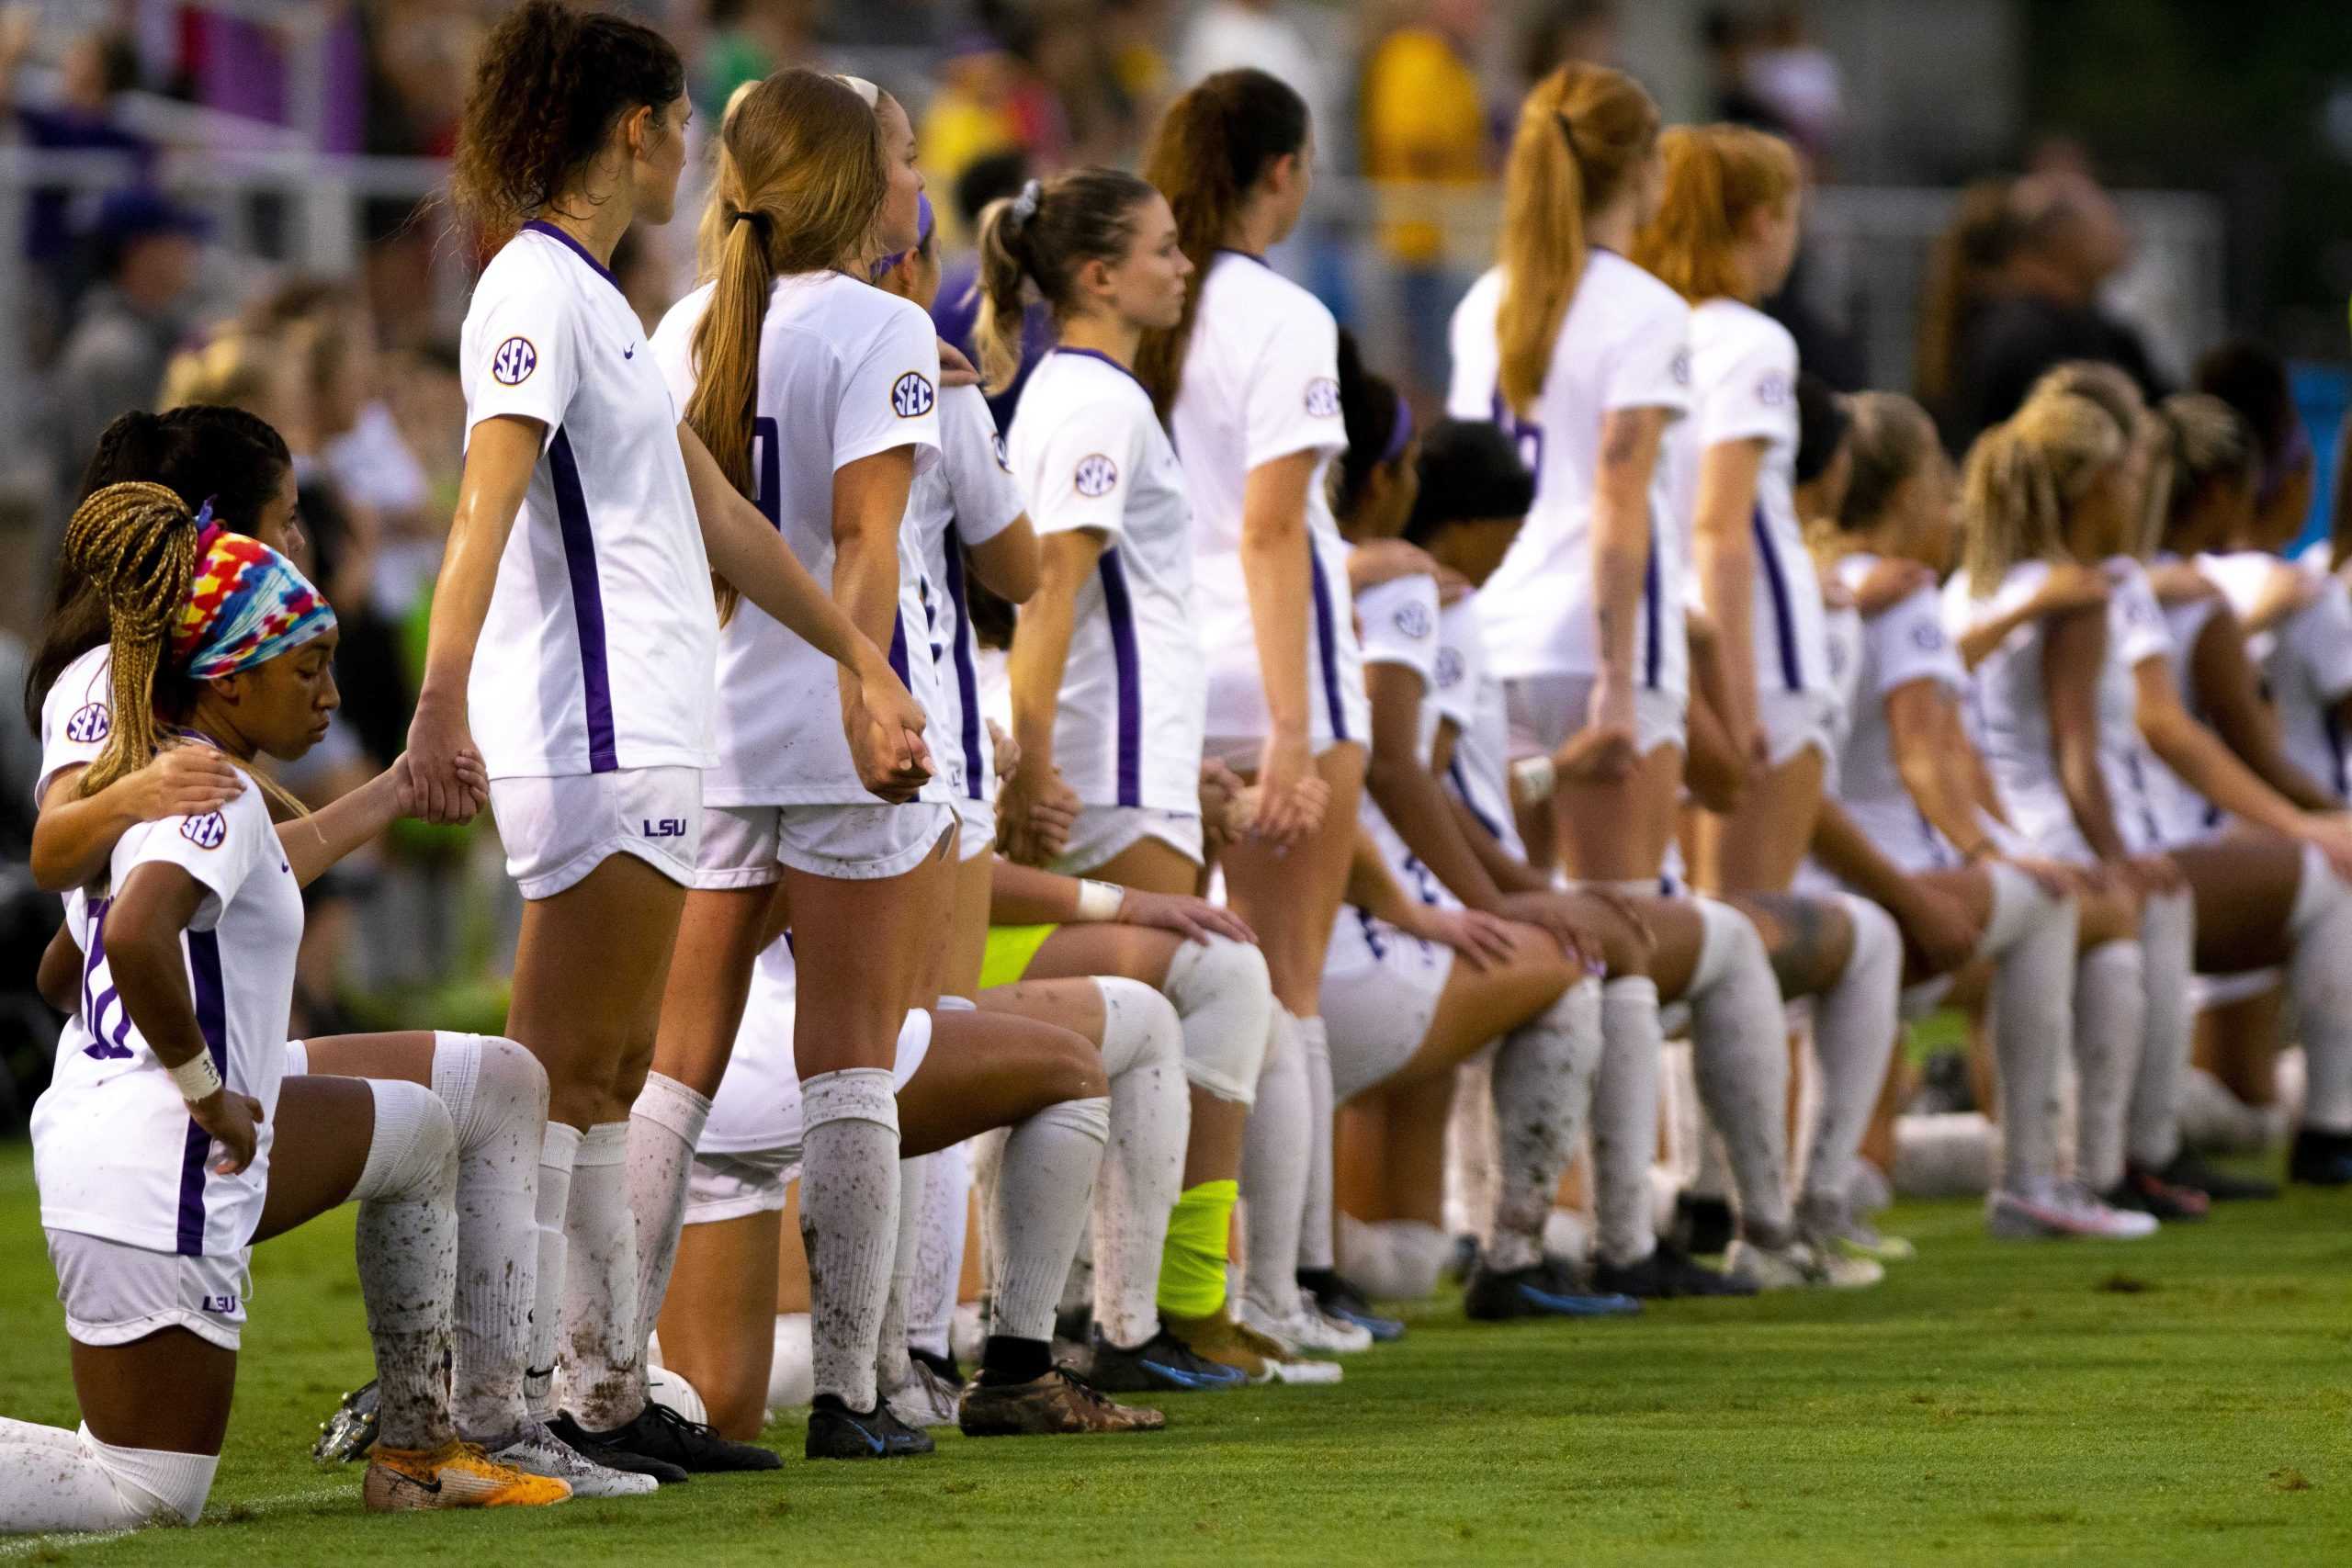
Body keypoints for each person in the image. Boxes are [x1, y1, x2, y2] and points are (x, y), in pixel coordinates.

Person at [407, 5, 926, 1483]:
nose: (692, 140)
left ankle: (596, 1383)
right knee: (552, 1070)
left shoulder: (604, 304)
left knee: (616, 1069)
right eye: (682, 114)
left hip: (650, 729)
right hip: (589, 728)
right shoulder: (533, 288)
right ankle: (507, 1403)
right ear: (636, 127)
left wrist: (856, 658)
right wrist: (441, 699)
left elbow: (723, 519)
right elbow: (482, 502)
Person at [0, 483, 568, 1529]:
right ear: (223, 679)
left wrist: (393, 791)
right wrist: (206, 1091)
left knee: (421, 1133)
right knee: (143, 1493)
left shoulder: (177, 764)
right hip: (163, 1160)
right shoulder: (203, 785)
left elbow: (65, 963)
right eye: (305, 669)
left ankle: (417, 1448)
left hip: (109, 1136)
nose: (326, 694)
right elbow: (130, 935)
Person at [1449, 62, 1834, 1286]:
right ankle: (1619, 1232)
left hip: (1499, 633)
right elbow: (1623, 501)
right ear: (1639, 166)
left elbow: (1475, 486)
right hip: (1604, 639)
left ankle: (1497, 1217)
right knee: (1621, 927)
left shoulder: (1488, 299)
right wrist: (1621, 679)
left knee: (1511, 918)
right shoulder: (1644, 308)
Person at [639, 67, 955, 1465]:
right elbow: (865, 538)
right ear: (849, 177)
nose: (911, 170)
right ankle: (856, 1387)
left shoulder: (686, 320)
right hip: (833, 726)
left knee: (672, 1067)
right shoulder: (884, 321)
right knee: (848, 1061)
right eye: (894, 151)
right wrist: (869, 686)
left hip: (708, 726)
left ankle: (599, 1367)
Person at [984, 165, 1319, 1374]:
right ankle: (1157, 1312)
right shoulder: (1094, 401)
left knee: (1188, 1020)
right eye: (1166, 249)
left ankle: (1149, 1308)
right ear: (1097, 275)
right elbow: (1056, 588)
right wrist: (1030, 766)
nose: (1186, 266)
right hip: (1108, 777)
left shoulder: (1090, 394)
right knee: (1195, 1007)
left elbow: (1133, 609)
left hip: (1135, 763)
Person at [1324, 342, 1629, 1319]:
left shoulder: (1272, 579)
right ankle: (1548, 1248)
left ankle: (1312, 1268)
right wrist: (1487, 896)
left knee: (1402, 1260)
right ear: (1387, 481)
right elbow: (1406, 768)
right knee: (1582, 958)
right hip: (1353, 931)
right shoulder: (1416, 592)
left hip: (1313, 920)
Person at [1808, 390, 2153, 1238]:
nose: (1954, 495)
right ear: (1899, 491)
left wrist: (1997, 847)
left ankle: (2058, 1163)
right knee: (2062, 908)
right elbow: (1926, 752)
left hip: (1821, 871)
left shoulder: (1819, 585)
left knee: (2058, 907)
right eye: (1937, 472)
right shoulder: (1904, 595)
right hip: (1880, 878)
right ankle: (2046, 1175)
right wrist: (1990, 854)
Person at [1137, 67, 1364, 1357]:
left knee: (1195, 992)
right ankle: (1265, 1291)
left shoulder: (1151, 304)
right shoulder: (1281, 315)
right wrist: (1291, 724)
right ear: (1279, 172)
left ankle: (1181, 1291)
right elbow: (1276, 524)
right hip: (1275, 668)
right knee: (1282, 991)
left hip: (1169, 677)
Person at [661, 925, 1185, 1443]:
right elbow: (912, 990)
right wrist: (1108, 900)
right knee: (1068, 1073)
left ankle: (602, 1389)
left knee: (721, 1411)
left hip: (681, 1070)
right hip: (769, 1051)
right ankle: (970, 1372)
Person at [1949, 171, 2162, 448]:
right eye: (2106, 217)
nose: (2121, 231)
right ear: (2060, 236)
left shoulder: (2096, 328)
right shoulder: (2028, 340)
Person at [1360, 0, 1493, 393]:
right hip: (1412, 244)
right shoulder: (1412, 55)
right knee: (1418, 383)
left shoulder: (1454, 64)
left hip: (1446, 244)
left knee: (1445, 376)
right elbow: (1412, 139)